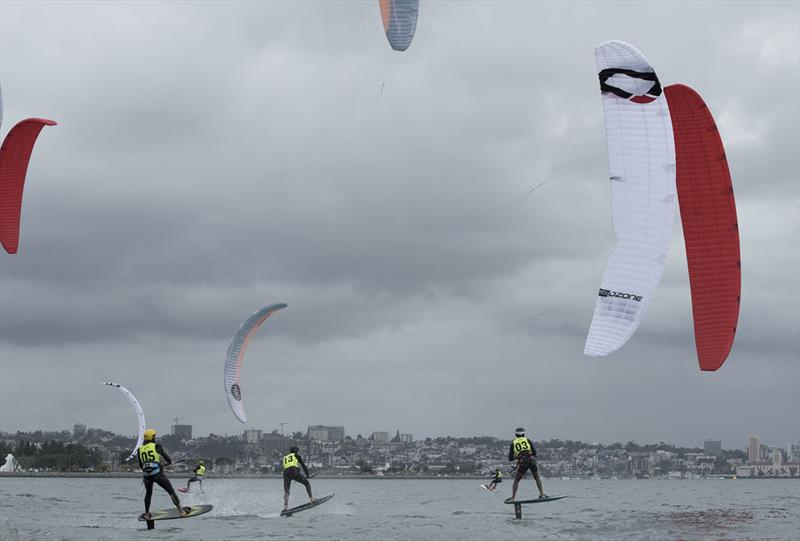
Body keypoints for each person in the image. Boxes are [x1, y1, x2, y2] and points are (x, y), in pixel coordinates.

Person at [137, 428, 187, 519]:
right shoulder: (157, 446)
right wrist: (164, 463)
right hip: (157, 475)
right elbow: (168, 459)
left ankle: (147, 514)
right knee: (171, 491)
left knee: (148, 494)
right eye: (154, 436)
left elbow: (141, 465)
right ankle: (181, 511)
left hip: (147, 476)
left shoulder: (140, 450)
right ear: (152, 437)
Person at [508, 427, 546, 501]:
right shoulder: (527, 440)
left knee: (516, 480)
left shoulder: (513, 443)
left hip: (523, 462)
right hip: (532, 460)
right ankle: (542, 494)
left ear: (516, 435)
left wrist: (518, 457)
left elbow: (510, 458)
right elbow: (534, 453)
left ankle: (513, 498)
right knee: (537, 477)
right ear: (524, 434)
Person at [282, 446, 315, 511]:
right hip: (293, 471)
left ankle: (285, 507)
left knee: (287, 491)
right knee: (307, 483)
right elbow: (303, 466)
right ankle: (312, 499)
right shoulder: (296, 456)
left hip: (285, 473)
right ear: (296, 451)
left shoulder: (285, 457)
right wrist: (307, 475)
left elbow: (287, 466)